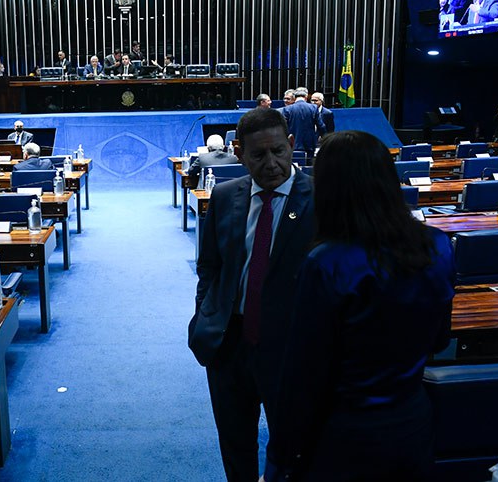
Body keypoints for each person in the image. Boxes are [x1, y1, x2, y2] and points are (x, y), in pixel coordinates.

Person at [267, 130, 455, 481]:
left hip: (344, 435)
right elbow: (441, 340)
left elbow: (303, 375)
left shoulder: (327, 263)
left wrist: (280, 459)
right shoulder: (438, 246)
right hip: (412, 423)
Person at [188, 108, 316, 481]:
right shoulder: (227, 196)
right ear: (239, 153)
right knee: (235, 444)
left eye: (279, 151)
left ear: (291, 145)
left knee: (291, 448)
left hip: (290, 349)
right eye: (258, 155)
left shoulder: (320, 198)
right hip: (229, 343)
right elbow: (209, 266)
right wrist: (205, 315)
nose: (271, 164)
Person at [282, 88, 324, 158]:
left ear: (295, 98)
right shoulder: (313, 108)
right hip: (309, 144)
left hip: (293, 144)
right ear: (306, 97)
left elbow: (283, 127)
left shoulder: (287, 109)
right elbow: (321, 126)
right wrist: (324, 138)